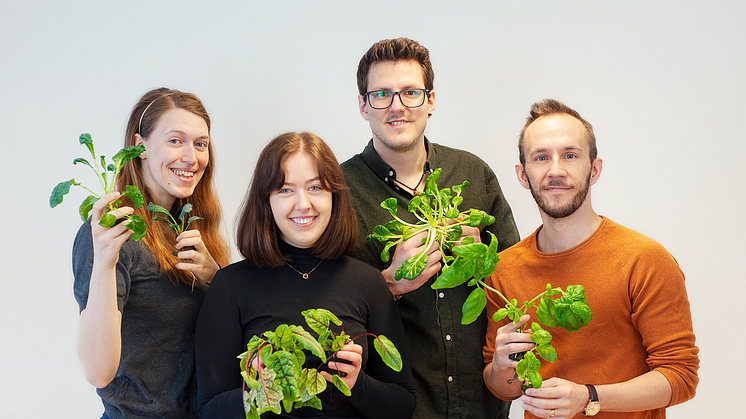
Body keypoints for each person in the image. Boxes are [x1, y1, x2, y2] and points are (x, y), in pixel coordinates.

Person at [483, 99, 699, 418]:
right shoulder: (504, 269)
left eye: (570, 155)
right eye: (541, 157)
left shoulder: (645, 259)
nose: (556, 170)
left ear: (594, 169)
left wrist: (588, 397)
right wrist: (501, 366)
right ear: (523, 175)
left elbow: (681, 377)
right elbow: (504, 388)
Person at [341, 38, 520, 419]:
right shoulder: (337, 190)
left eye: (410, 92)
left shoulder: (473, 173)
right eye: (381, 94)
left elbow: (514, 279)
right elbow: (326, 307)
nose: (397, 107)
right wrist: (389, 282)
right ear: (363, 105)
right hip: (392, 406)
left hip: (481, 404)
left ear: (431, 101)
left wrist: (483, 255)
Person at [195, 132, 416, 419]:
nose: (303, 204)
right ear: (266, 201)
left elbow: (402, 405)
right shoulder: (230, 286)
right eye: (285, 190)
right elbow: (210, 410)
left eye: (315, 188)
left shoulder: (368, 282)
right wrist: (260, 391)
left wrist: (356, 383)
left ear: (334, 196)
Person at [72, 88, 232, 419]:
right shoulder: (111, 234)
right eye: (176, 141)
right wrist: (104, 262)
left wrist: (217, 278)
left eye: (200, 144)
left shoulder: (194, 231)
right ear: (139, 146)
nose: (192, 157)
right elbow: (98, 372)